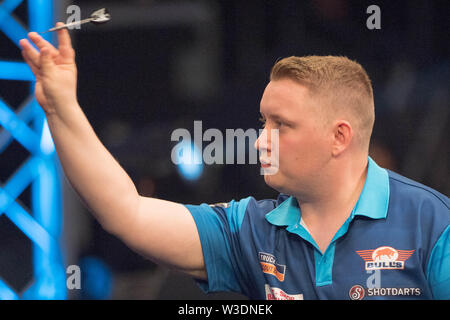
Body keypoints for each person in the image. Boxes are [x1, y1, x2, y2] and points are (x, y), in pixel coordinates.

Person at [19, 23, 449, 300]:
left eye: (282, 125)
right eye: (263, 122)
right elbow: (126, 212)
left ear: (339, 137)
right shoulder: (250, 228)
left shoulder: (430, 222)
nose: (260, 140)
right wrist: (61, 109)